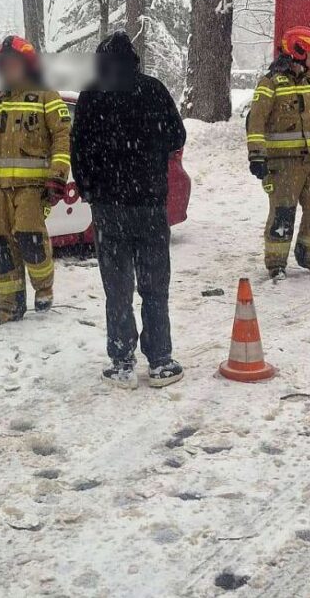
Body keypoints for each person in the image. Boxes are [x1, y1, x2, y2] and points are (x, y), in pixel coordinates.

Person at [71, 32, 187, 389]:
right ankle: (160, 360)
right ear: (133, 61)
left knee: (117, 287)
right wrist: (147, 153)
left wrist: (91, 187)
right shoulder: (152, 90)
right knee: (155, 286)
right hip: (150, 206)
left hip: (109, 210)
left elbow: (78, 151)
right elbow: (176, 137)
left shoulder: (91, 96)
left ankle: (122, 361)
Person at [0, 36, 71, 326]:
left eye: (13, 64)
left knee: (30, 237)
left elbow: (61, 139)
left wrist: (57, 177)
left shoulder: (46, 96)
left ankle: (44, 289)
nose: (8, 70)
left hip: (32, 188)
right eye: (3, 65)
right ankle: (9, 306)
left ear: (28, 65)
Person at [246, 27, 310, 280]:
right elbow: (255, 122)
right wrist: (256, 155)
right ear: (298, 52)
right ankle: (276, 264)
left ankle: (309, 255)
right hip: (283, 164)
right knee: (283, 213)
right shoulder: (270, 83)